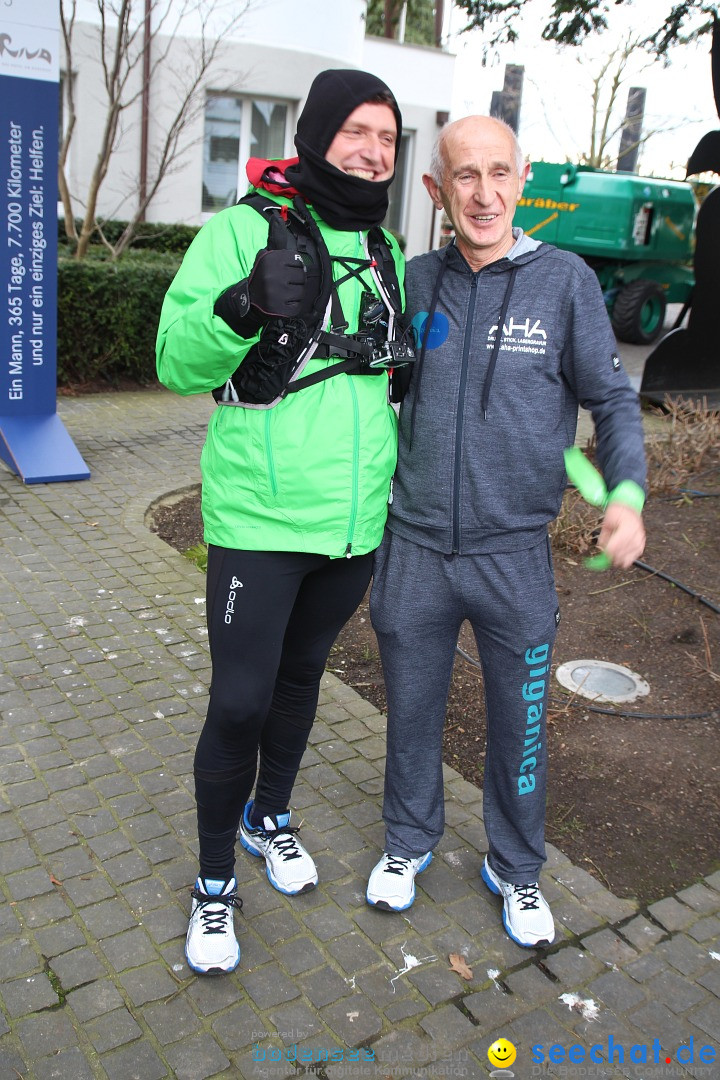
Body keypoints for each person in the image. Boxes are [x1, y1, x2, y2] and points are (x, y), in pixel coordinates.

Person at [365, 116, 647, 948]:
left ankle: (515, 869)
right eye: (465, 177)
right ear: (436, 190)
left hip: (513, 556)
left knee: (519, 726)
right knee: (409, 711)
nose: (484, 195)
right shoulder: (413, 283)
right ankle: (408, 841)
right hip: (412, 547)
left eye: (499, 174)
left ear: (523, 180)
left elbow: (613, 398)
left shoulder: (566, 283)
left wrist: (624, 493)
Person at [156, 69, 407, 975]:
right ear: (318, 131)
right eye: (358, 131)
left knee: (301, 682)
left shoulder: (386, 250)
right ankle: (214, 884)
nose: (374, 150)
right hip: (260, 521)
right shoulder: (237, 229)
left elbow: (388, 372)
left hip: (351, 528)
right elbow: (174, 359)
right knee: (239, 702)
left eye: (388, 136)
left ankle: (271, 821)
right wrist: (240, 306)